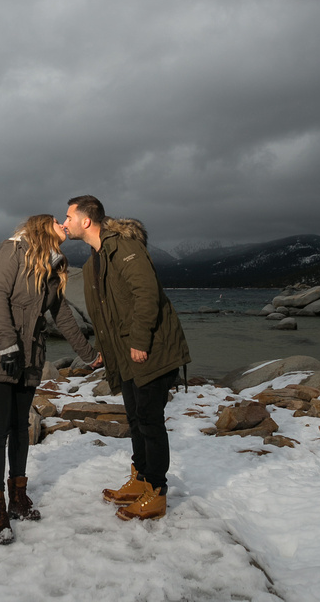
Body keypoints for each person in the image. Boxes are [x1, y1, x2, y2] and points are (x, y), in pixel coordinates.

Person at [0, 214, 99, 545]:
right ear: (42, 225)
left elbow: (62, 314)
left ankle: (19, 498)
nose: (64, 222)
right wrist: (8, 345)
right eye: (58, 219)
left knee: (20, 429)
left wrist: (88, 354)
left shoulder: (54, 266)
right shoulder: (13, 250)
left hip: (29, 360)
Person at [63, 195, 190, 521]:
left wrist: (139, 340)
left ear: (86, 220)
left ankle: (156, 494)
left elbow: (146, 294)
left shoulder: (124, 247)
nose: (65, 223)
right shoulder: (96, 258)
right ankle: (141, 479)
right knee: (135, 418)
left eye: (69, 217)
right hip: (126, 353)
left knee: (149, 421)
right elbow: (109, 310)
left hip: (150, 349)